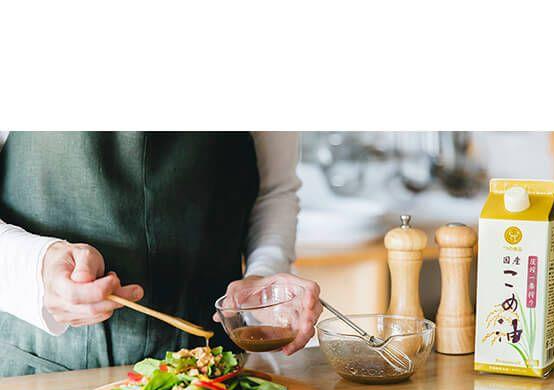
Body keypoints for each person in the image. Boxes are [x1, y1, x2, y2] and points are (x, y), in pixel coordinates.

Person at [0, 132, 321, 377]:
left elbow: (274, 191)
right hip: (43, 373)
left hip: (212, 371)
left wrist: (263, 277)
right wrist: (39, 267)